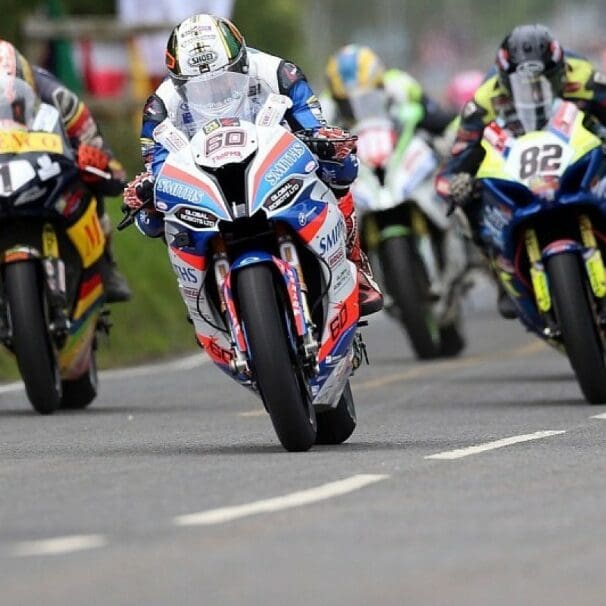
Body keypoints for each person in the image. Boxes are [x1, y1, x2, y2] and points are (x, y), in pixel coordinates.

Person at [123, 14, 383, 315]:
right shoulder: (160, 105)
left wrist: (322, 141)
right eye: (197, 88)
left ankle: (354, 262)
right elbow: (158, 161)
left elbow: (312, 124)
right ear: (178, 84)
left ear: (242, 63)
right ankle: (201, 303)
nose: (213, 94)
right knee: (155, 216)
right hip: (207, 177)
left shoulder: (280, 73)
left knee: (337, 168)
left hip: (274, 162)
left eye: (224, 80)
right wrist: (150, 187)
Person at [435, 24, 606, 318]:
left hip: (577, 150)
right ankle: (500, 271)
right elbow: (457, 158)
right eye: (522, 83)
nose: (534, 88)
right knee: (468, 202)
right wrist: (456, 182)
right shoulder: (485, 99)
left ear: (559, 69)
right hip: (520, 165)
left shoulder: (584, 76)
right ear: (504, 78)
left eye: (545, 78)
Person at [0, 40, 132, 302]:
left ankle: (106, 261)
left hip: (44, 169)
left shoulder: (57, 96)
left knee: (89, 174)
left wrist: (96, 162)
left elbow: (115, 174)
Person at [323, 44, 455, 135]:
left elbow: (439, 118)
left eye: (367, 98)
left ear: (380, 84)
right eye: (347, 102)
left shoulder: (401, 84)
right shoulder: (325, 106)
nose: (359, 106)